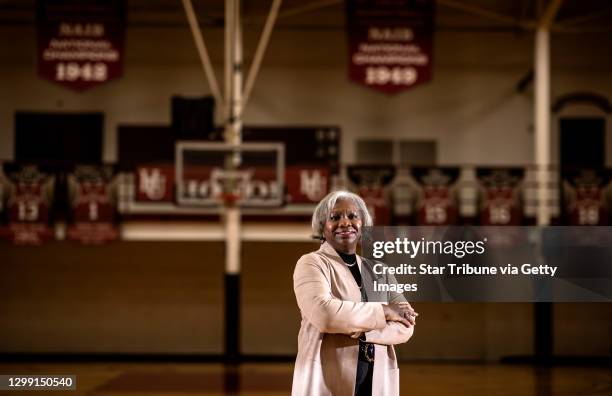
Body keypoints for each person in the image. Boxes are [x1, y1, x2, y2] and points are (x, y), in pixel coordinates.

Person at [292, 190, 417, 396]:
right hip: (328, 377)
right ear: (323, 226)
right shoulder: (311, 263)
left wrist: (361, 331)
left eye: (352, 216)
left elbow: (407, 324)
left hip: (376, 377)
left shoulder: (380, 271)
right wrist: (384, 311)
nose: (344, 223)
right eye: (335, 217)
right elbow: (326, 315)